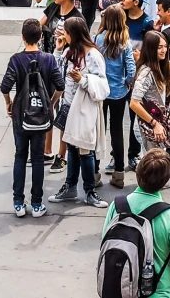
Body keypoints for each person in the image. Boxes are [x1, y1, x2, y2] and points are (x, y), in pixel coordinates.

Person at [101, 148, 170, 298]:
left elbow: (106, 244)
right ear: (165, 180)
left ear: (138, 172)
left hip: (122, 289)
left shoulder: (117, 206)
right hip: (158, 293)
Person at [1, 18, 60, 217]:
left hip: (20, 115)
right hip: (40, 116)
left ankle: (18, 202)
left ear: (23, 37)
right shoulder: (49, 59)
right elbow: (60, 86)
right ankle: (36, 204)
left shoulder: (16, 60)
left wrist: (9, 103)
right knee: (37, 158)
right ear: (41, 37)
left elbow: (5, 86)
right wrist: (51, 104)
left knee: (20, 156)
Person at [49, 15, 109, 208]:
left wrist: (82, 79)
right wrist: (58, 52)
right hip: (68, 107)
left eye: (65, 32)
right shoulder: (68, 52)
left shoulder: (93, 55)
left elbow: (102, 86)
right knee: (72, 147)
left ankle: (90, 190)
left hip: (85, 109)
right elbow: (57, 73)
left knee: (85, 149)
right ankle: (70, 186)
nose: (63, 35)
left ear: (73, 34)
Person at [97, 5, 137, 189]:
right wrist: (126, 83)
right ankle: (119, 173)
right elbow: (131, 69)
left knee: (98, 131)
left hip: (100, 91)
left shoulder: (98, 39)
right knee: (117, 130)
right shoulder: (125, 42)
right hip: (119, 92)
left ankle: (95, 171)